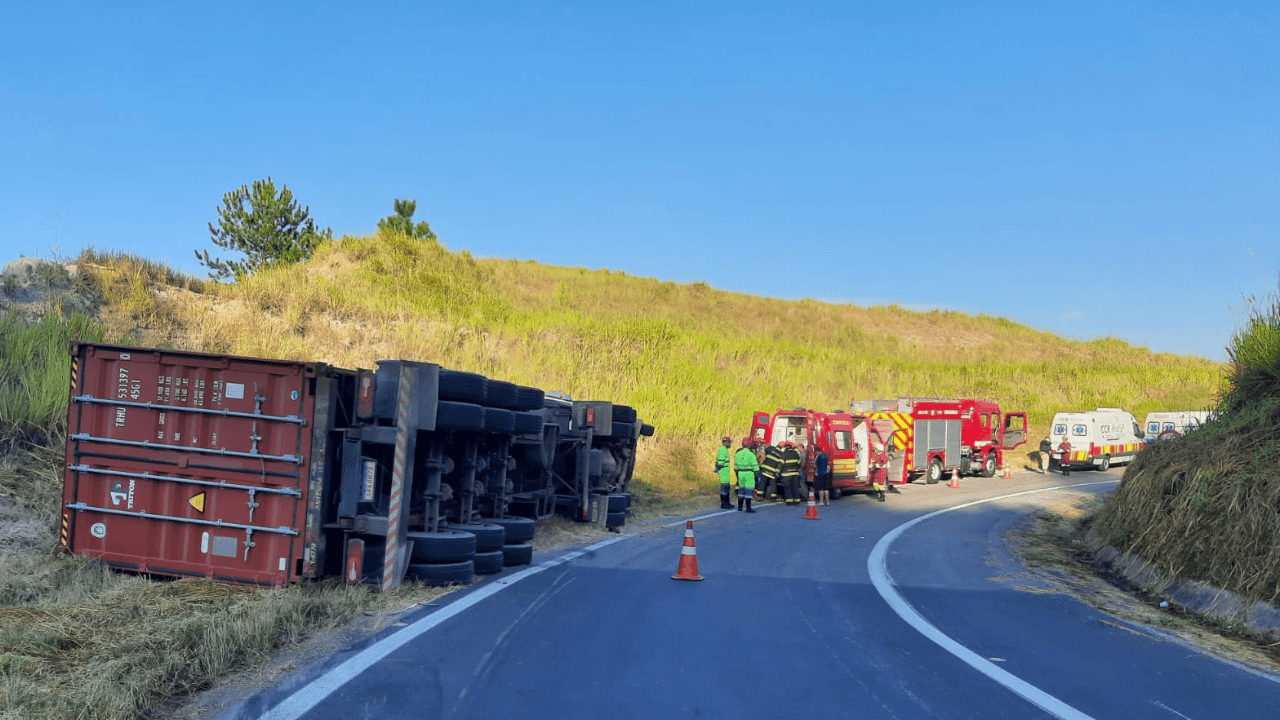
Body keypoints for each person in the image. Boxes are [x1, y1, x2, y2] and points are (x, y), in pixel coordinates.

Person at [734, 437, 760, 513]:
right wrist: (756, 474)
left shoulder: (738, 454)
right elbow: (755, 467)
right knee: (748, 490)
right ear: (749, 445)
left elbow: (735, 467)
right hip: (749, 474)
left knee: (741, 490)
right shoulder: (751, 455)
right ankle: (748, 508)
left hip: (740, 473)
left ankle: (740, 507)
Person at [715, 436, 733, 509]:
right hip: (723, 472)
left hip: (725, 472)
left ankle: (727, 503)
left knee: (727, 488)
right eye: (729, 442)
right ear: (726, 442)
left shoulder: (724, 449)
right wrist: (718, 467)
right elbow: (721, 462)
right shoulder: (722, 450)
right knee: (724, 488)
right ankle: (724, 504)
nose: (730, 444)